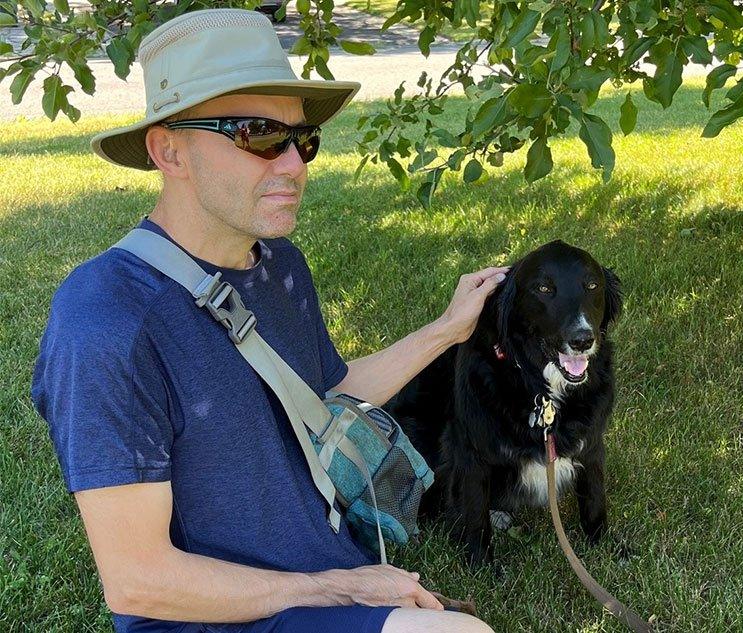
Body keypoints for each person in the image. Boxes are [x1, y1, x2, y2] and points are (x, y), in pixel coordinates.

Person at [30, 8, 504, 633]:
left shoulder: (279, 266)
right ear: (168, 149)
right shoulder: (105, 316)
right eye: (258, 135)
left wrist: (447, 329)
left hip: (317, 569)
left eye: (302, 139)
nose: (293, 165)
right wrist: (340, 588)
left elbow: (321, 397)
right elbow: (139, 580)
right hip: (215, 615)